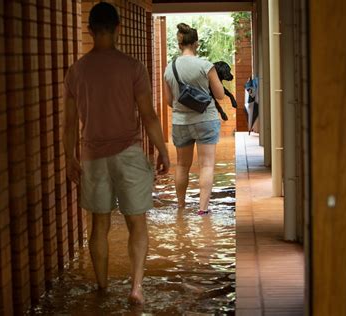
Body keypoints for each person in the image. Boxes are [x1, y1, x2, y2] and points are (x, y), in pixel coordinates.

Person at [63, 2, 170, 305]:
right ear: (119, 28)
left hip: (92, 157)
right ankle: (136, 287)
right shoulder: (133, 67)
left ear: (90, 30)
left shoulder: (76, 72)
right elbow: (149, 116)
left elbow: (69, 122)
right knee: (137, 223)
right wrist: (162, 150)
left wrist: (68, 158)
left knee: (99, 224)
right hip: (129, 153)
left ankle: (102, 286)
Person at [163, 23, 225, 215]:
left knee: (182, 165)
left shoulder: (169, 68)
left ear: (180, 44)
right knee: (206, 164)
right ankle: (202, 209)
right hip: (206, 119)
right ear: (196, 43)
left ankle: (181, 206)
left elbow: (169, 101)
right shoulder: (205, 66)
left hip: (180, 122)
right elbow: (220, 95)